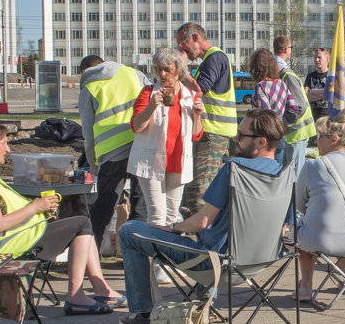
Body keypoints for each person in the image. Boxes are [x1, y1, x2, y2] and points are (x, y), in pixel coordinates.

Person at [116, 109, 286, 324]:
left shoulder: (235, 169)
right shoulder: (284, 174)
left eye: (241, 135)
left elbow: (202, 222)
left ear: (261, 141)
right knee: (213, 237)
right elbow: (282, 228)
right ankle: (203, 302)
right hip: (258, 263)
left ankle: (143, 313)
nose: (235, 138)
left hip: (215, 264)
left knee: (130, 230)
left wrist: (172, 227)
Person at [0, 121, 125, 315]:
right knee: (82, 223)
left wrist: (41, 210)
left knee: (80, 221)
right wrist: (35, 207)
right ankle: (77, 296)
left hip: (15, 240)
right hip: (4, 248)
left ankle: (99, 290)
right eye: (2, 143)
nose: (7, 149)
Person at [294, 107, 345, 300]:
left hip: (319, 239)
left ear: (333, 139)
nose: (316, 140)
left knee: (302, 228)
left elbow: (298, 203)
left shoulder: (314, 165)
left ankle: (305, 286)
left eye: (319, 135)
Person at [78, 55, 149, 252]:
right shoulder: (135, 74)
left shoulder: (89, 88)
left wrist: (93, 165)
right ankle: (135, 258)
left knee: (104, 206)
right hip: (141, 145)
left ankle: (91, 260)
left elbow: (88, 135)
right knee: (140, 206)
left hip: (111, 154)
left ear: (85, 71)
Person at [127, 47, 204, 227]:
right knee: (157, 216)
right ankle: (155, 253)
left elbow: (196, 135)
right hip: (151, 162)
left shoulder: (190, 96)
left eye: (167, 70)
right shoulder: (148, 93)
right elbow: (137, 127)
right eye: (158, 69)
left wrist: (197, 114)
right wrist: (151, 107)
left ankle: (166, 253)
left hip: (178, 163)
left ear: (178, 71)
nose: (162, 74)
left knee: (171, 217)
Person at [175, 22, 237, 213]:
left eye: (182, 43)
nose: (180, 48)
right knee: (209, 189)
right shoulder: (210, 60)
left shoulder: (214, 58)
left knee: (198, 190)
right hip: (212, 132)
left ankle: (202, 234)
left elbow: (200, 89)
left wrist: (181, 69)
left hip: (212, 133)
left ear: (196, 38)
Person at [273, 35, 316, 180]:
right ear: (287, 49)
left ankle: (295, 203)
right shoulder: (284, 74)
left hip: (297, 132)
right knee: (289, 175)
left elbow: (299, 107)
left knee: (294, 176)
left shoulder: (287, 75)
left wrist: (283, 123)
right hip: (292, 133)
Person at [249, 47, 298, 164]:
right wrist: (282, 122)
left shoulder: (261, 87)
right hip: (279, 135)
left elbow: (265, 115)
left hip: (264, 138)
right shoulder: (281, 84)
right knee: (277, 170)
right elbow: (294, 108)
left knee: (263, 172)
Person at [304, 47, 331, 118]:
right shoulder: (310, 76)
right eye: (315, 57)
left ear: (327, 59)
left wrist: (312, 91)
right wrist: (326, 92)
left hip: (329, 116)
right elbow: (306, 96)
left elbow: (333, 94)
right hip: (313, 116)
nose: (316, 60)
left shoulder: (333, 76)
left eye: (319, 57)